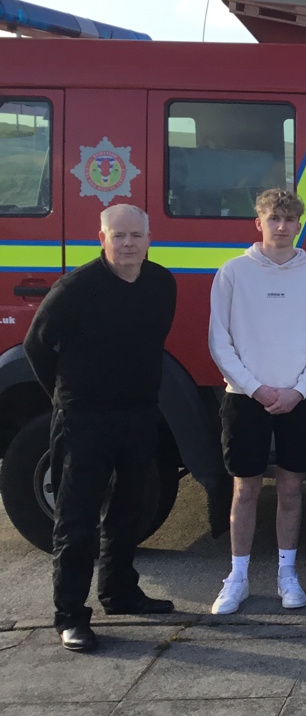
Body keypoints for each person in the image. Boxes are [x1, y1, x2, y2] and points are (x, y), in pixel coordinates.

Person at [24, 204, 177, 653]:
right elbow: (37, 343)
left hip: (138, 414)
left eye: (136, 235)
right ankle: (70, 615)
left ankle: (119, 591)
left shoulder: (160, 283)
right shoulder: (77, 287)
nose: (128, 243)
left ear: (149, 238)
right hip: (83, 418)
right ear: (102, 238)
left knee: (130, 509)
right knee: (77, 519)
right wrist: (64, 395)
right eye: (119, 235)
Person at [208, 189, 306, 615]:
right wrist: (256, 388)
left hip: (300, 400)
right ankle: (238, 578)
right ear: (258, 223)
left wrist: (298, 390)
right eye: (273, 218)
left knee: (292, 488)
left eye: (289, 219)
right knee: (244, 490)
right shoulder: (232, 273)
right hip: (245, 399)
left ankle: (287, 574)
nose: (281, 226)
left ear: (300, 224)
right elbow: (219, 343)